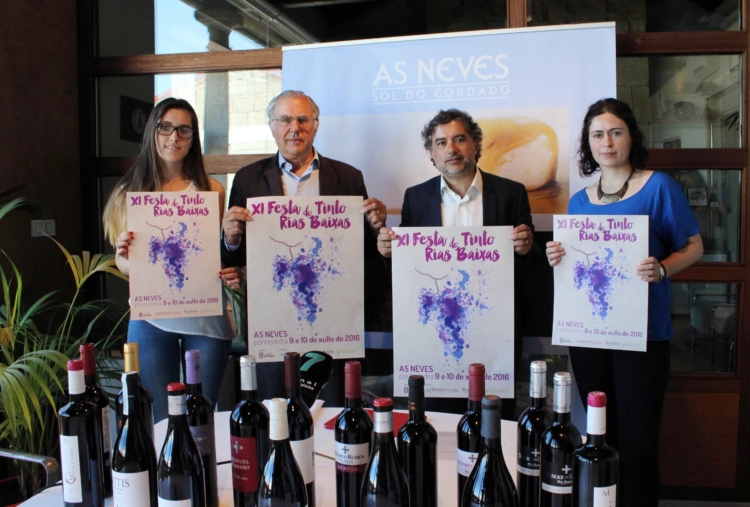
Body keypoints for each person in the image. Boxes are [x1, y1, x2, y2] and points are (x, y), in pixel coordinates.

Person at [546, 98, 703, 507]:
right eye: (597, 135)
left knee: (639, 442)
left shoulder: (658, 187)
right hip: (589, 335)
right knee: (601, 435)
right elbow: (579, 263)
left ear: (631, 137)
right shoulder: (579, 201)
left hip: (642, 335)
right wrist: (558, 256)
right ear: (588, 143)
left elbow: (694, 246)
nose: (607, 142)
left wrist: (663, 269)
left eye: (616, 132)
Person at [221, 89, 388, 401]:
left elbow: (364, 254)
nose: (294, 128)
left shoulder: (348, 178)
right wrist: (231, 240)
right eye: (285, 119)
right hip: (272, 321)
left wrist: (376, 227)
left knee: (330, 408)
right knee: (274, 409)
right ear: (272, 126)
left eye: (302, 119)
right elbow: (238, 257)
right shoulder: (247, 179)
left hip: (331, 319)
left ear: (316, 125)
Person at [377, 108, 538, 416]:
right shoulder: (416, 198)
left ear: (476, 145)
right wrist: (388, 253)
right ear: (431, 153)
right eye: (441, 143)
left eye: (460, 139)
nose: (451, 148)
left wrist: (526, 248)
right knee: (440, 423)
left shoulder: (511, 194)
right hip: (437, 334)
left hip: (494, 335)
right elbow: (408, 270)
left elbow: (528, 268)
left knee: (494, 424)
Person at [103, 97, 241, 424]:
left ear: (193, 139)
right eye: (165, 127)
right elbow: (126, 266)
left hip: (206, 316)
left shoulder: (212, 189)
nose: (174, 137)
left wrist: (229, 266)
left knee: (199, 417)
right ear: (152, 131)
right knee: (160, 417)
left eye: (183, 130)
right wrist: (124, 256)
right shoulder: (129, 192)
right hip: (152, 315)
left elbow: (214, 253)